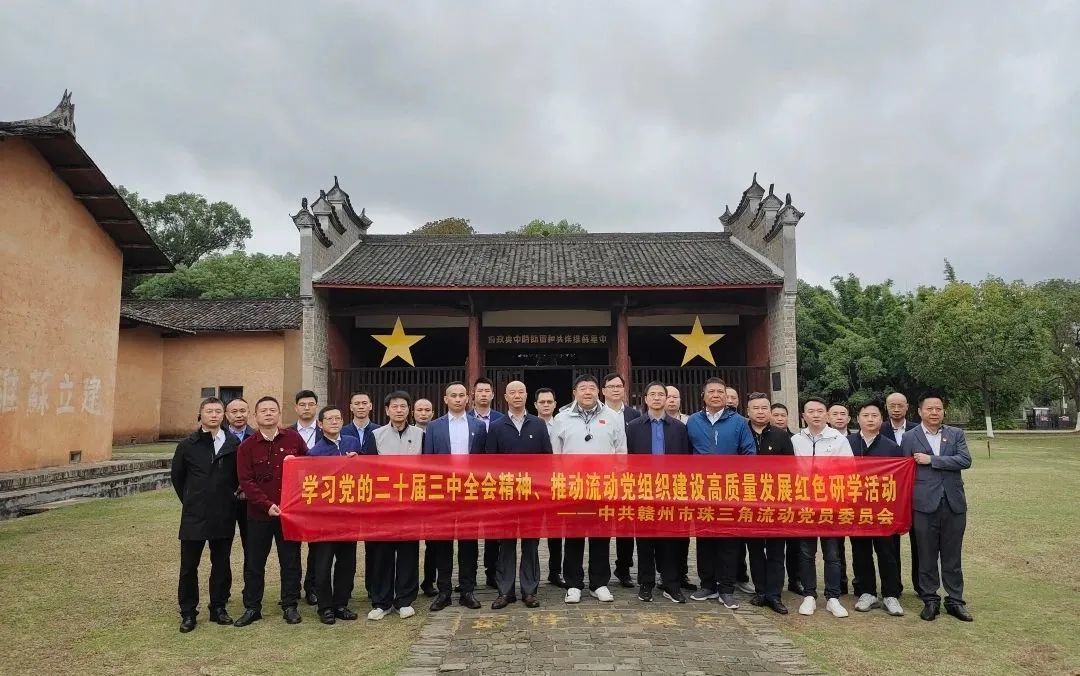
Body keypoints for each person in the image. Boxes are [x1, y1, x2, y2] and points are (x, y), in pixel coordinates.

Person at [551, 374, 627, 604]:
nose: (587, 392)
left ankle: (599, 583)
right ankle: (573, 584)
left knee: (601, 536)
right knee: (573, 536)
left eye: (591, 388)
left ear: (598, 391)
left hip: (603, 487)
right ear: (574, 393)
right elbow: (555, 455)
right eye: (582, 388)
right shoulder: (561, 418)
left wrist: (617, 482)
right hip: (573, 488)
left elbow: (621, 452)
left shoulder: (612, 417)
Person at [234, 396, 308, 627]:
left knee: (290, 561)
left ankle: (290, 605)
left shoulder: (293, 439)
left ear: (279, 414)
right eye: (263, 410)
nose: (268, 413)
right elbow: (246, 481)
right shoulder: (247, 446)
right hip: (259, 514)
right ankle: (252, 607)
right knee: (254, 562)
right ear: (255, 416)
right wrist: (266, 504)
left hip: (288, 514)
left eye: (272, 410)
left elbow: (308, 468)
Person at [901, 392, 973, 622]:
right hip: (923, 505)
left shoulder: (955, 434)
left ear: (943, 411)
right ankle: (930, 600)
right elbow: (904, 470)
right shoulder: (909, 437)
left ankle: (955, 601)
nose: (934, 412)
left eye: (938, 409)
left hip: (953, 503)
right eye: (929, 409)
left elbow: (965, 460)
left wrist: (932, 460)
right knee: (926, 555)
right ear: (919, 411)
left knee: (953, 556)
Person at [171, 397, 240, 632]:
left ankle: (218, 607)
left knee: (221, 564)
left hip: (223, 513)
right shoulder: (187, 445)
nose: (214, 415)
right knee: (189, 566)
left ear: (224, 415)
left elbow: (236, 477)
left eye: (218, 411)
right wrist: (193, 500)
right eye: (209, 411)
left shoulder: (232, 443)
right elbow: (178, 478)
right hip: (195, 515)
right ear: (200, 414)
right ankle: (188, 612)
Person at [686, 377, 754, 609]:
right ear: (703, 396)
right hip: (702, 490)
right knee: (704, 538)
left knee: (728, 539)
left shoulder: (739, 422)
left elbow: (749, 453)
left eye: (720, 392)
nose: (716, 395)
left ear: (726, 396)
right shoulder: (693, 421)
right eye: (711, 392)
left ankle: (726, 588)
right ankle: (707, 584)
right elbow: (685, 454)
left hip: (730, 490)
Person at [422, 382, 488, 611]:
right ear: (446, 399)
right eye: (454, 395)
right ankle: (444, 591)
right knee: (443, 543)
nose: (458, 399)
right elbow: (428, 461)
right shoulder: (434, 427)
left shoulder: (478, 426)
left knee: (469, 542)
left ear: (468, 398)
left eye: (462, 395)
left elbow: (484, 461)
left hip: (469, 491)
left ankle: (467, 590)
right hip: (442, 492)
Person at [486, 381, 552, 609]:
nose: (517, 396)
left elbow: (547, 460)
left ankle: (529, 591)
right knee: (506, 544)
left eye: (521, 392)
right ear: (505, 397)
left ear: (526, 396)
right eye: (512, 392)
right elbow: (489, 464)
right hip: (506, 495)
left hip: (532, 496)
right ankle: (505, 592)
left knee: (531, 544)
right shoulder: (496, 426)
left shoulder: (538, 424)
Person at [626, 382, 690, 604]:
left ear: (666, 398)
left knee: (669, 540)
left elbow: (685, 461)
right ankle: (646, 583)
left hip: (670, 490)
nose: (656, 398)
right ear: (645, 399)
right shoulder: (634, 427)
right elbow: (628, 458)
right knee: (645, 540)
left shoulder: (679, 428)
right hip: (643, 489)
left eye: (660, 394)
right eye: (652, 394)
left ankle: (671, 584)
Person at [792, 397, 853, 618]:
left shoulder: (839, 439)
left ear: (827, 415)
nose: (816, 415)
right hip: (805, 504)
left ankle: (833, 597)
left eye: (820, 411)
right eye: (811, 411)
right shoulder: (796, 440)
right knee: (806, 552)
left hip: (831, 503)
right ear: (803, 416)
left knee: (832, 553)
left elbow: (849, 471)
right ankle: (809, 594)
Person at [370, 391, 425, 620]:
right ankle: (381, 602)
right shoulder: (376, 435)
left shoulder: (421, 435)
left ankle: (404, 600)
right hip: (384, 504)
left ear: (409, 410)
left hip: (411, 503)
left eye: (403, 406)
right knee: (382, 553)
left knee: (408, 552)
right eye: (394, 406)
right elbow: (369, 470)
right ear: (387, 410)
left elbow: (428, 468)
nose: (399, 410)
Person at [847, 400, 904, 617]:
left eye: (874, 416)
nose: (870, 419)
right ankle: (867, 592)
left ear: (881, 419)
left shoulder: (892, 447)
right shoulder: (847, 444)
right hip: (856, 509)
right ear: (858, 419)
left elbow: (899, 480)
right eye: (866, 415)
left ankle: (891, 594)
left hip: (883, 510)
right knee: (860, 551)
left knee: (887, 552)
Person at [307, 406, 362, 625]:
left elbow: (364, 474)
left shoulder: (352, 443)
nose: (334, 422)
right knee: (323, 564)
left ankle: (341, 603)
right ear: (320, 424)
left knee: (347, 562)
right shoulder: (315, 452)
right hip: (325, 517)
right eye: (329, 419)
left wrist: (357, 461)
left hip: (348, 514)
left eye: (338, 418)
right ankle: (325, 607)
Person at [743, 392, 794, 615]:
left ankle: (774, 594)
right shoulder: (741, 433)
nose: (760, 412)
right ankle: (761, 591)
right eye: (756, 408)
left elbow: (791, 470)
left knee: (775, 550)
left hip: (775, 502)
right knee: (755, 550)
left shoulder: (781, 436)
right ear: (748, 411)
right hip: (748, 502)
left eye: (764, 408)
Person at [602, 373, 641, 589]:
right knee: (604, 524)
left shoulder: (634, 415)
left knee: (626, 525)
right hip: (603, 479)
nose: (616, 390)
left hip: (628, 479)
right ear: (603, 391)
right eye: (611, 386)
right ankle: (600, 570)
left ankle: (624, 568)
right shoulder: (597, 413)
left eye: (619, 386)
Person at [342, 390, 380, 599]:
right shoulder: (342, 431)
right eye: (357, 403)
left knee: (373, 545)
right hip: (348, 493)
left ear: (371, 406)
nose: (361, 406)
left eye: (364, 403)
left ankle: (373, 588)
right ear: (351, 407)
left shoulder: (380, 431)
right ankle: (345, 589)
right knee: (347, 545)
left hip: (373, 494)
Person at [468, 377, 505, 588]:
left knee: (494, 530)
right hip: (471, 482)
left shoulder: (501, 419)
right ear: (473, 394)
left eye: (487, 391)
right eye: (479, 390)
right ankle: (469, 575)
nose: (483, 394)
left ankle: (492, 573)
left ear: (492, 394)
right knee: (470, 530)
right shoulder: (464, 419)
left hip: (495, 482)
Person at [886, 391, 919, 596]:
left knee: (920, 542)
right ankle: (893, 587)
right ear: (886, 407)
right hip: (889, 496)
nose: (896, 409)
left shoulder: (918, 430)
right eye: (892, 406)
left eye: (900, 405)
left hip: (915, 493)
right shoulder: (879, 429)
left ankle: (921, 585)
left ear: (907, 407)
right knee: (890, 545)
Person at [534, 387, 567, 589]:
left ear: (555, 404)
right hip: (536, 486)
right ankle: (533, 574)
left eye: (549, 402)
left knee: (556, 531)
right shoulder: (530, 425)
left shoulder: (563, 424)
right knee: (534, 531)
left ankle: (555, 572)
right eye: (542, 402)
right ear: (535, 405)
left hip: (558, 484)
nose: (546, 405)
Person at [293, 390, 323, 607]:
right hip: (293, 496)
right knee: (291, 545)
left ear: (316, 407)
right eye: (302, 404)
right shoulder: (286, 433)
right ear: (296, 408)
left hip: (320, 496)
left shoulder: (325, 431)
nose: (306, 408)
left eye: (311, 404)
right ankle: (292, 588)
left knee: (317, 546)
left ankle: (312, 587)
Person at [769, 401, 802, 594]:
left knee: (794, 543)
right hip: (770, 498)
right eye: (776, 415)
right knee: (775, 545)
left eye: (783, 415)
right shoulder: (764, 438)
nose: (780, 419)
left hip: (793, 498)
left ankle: (795, 579)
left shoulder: (796, 439)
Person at [664, 385, 695, 591]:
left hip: (684, 485)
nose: (672, 400)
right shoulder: (654, 422)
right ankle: (664, 573)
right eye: (669, 396)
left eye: (676, 397)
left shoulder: (690, 422)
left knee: (682, 532)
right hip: (660, 485)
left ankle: (682, 573)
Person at [827, 402, 853, 596]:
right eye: (834, 414)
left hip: (853, 498)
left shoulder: (856, 439)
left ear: (849, 418)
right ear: (828, 417)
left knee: (858, 545)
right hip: (829, 499)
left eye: (842, 414)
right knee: (836, 545)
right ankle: (840, 583)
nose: (839, 417)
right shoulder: (820, 438)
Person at [413, 397, 437, 596]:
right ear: (413, 413)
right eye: (419, 410)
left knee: (433, 542)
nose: (423, 413)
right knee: (411, 542)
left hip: (434, 493)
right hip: (412, 492)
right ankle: (410, 583)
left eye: (427, 410)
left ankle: (429, 581)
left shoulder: (437, 432)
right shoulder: (409, 433)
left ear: (433, 413)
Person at [225, 397, 254, 549]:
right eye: (234, 411)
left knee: (251, 544)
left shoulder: (256, 437)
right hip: (224, 498)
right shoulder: (219, 437)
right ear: (226, 414)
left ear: (248, 413)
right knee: (222, 545)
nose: (239, 415)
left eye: (242, 411)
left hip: (250, 500)